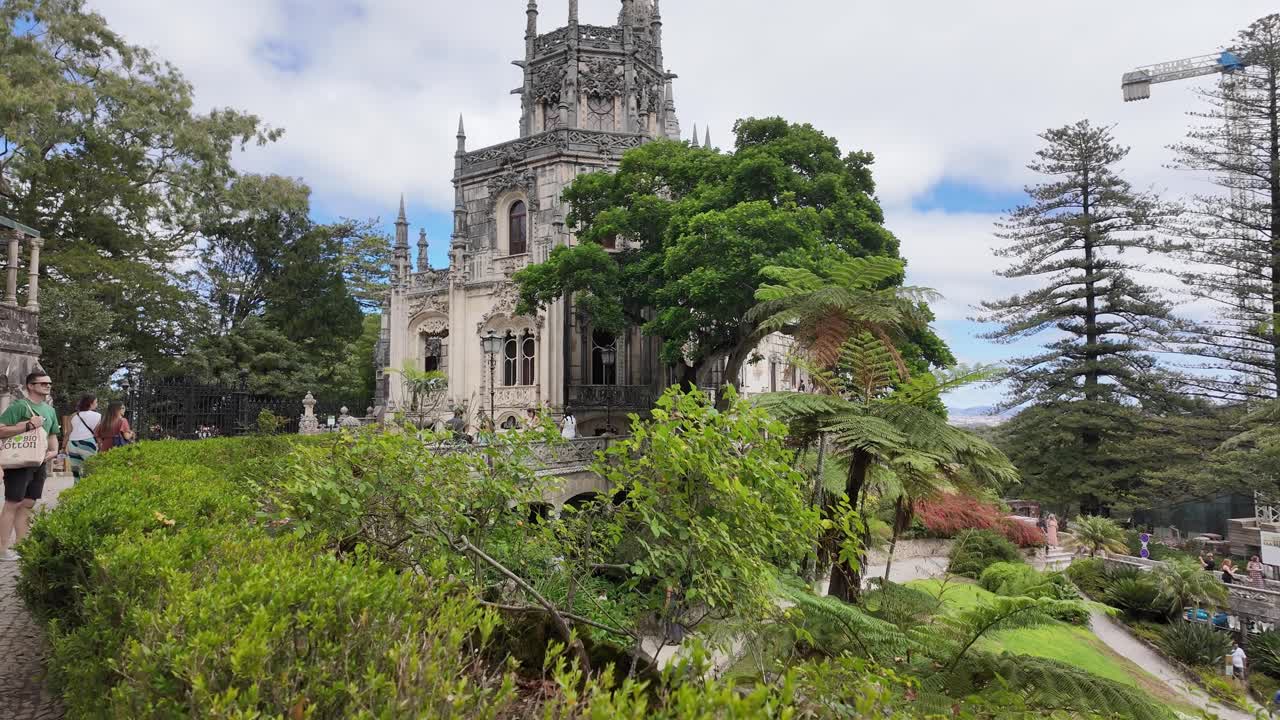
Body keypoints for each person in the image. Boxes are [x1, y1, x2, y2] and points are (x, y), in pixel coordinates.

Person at [0, 371, 62, 562]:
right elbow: (1, 430)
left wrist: (53, 452)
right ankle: (2, 550)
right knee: (13, 503)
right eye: (43, 383)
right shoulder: (19, 406)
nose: (47, 386)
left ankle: (21, 546)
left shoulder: (50, 410)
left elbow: (53, 437)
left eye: (49, 383)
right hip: (19, 461)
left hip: (40, 462)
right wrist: (27, 426)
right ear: (31, 386)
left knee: (28, 503)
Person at [66, 394, 101, 482]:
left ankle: (76, 489)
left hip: (72, 443)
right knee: (90, 470)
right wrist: (100, 444)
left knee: (76, 471)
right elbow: (97, 433)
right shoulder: (98, 416)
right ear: (91, 403)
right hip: (87, 443)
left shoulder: (73, 415)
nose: (97, 404)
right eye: (96, 402)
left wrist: (63, 447)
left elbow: (68, 433)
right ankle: (88, 490)